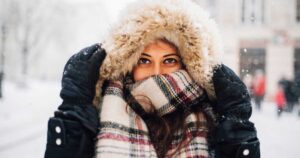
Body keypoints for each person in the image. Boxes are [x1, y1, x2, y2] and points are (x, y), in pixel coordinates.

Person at [45, 0, 260, 158]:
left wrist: (236, 130)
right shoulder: (100, 114)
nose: (157, 72)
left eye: (169, 61)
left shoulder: (212, 120)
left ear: (188, 64)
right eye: (145, 61)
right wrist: (74, 114)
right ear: (128, 65)